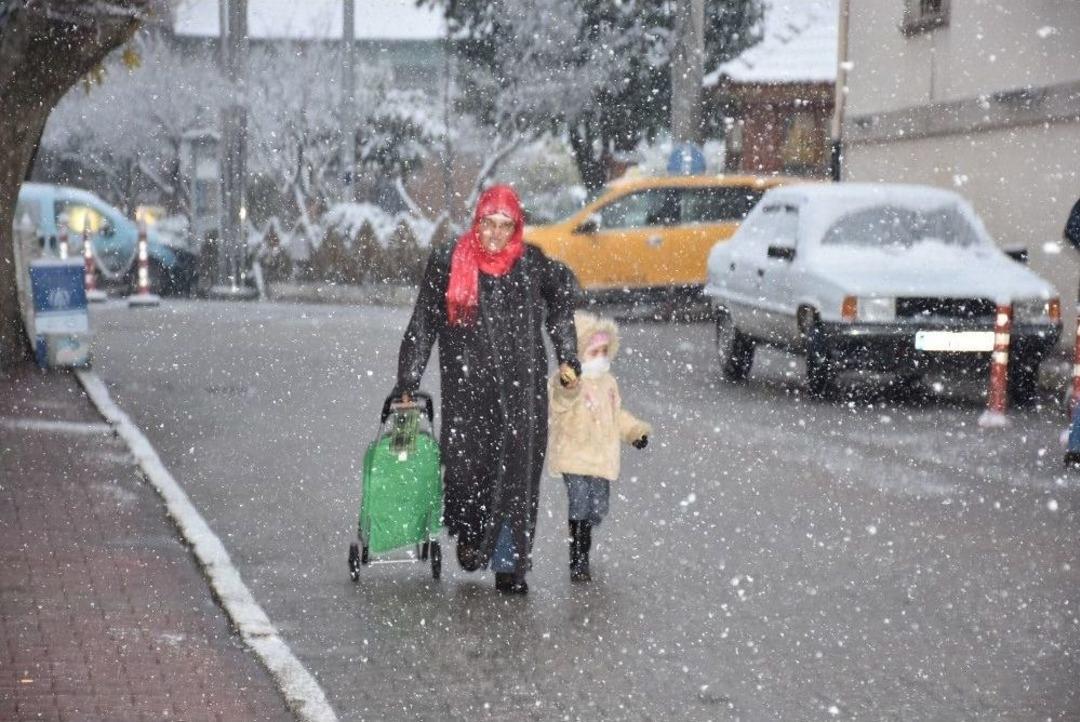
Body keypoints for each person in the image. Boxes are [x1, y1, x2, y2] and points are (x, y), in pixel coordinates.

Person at [393, 185, 581, 594]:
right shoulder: (449, 261)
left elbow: (563, 298)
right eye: (488, 224)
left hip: (521, 394)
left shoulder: (531, 265)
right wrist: (407, 380)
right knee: (466, 472)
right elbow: (423, 323)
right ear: (476, 222)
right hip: (467, 393)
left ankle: (509, 565)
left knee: (516, 479)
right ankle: (472, 535)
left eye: (504, 226)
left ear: (516, 228)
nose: (495, 234)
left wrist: (568, 354)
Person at [547, 311, 651, 582]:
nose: (601, 357)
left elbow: (617, 415)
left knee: (598, 507)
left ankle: (585, 530)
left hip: (600, 458)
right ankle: (579, 558)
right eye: (594, 352)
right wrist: (567, 383)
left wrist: (634, 432)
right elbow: (561, 399)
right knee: (579, 503)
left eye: (605, 351)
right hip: (573, 456)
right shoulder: (569, 381)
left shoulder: (608, 383)